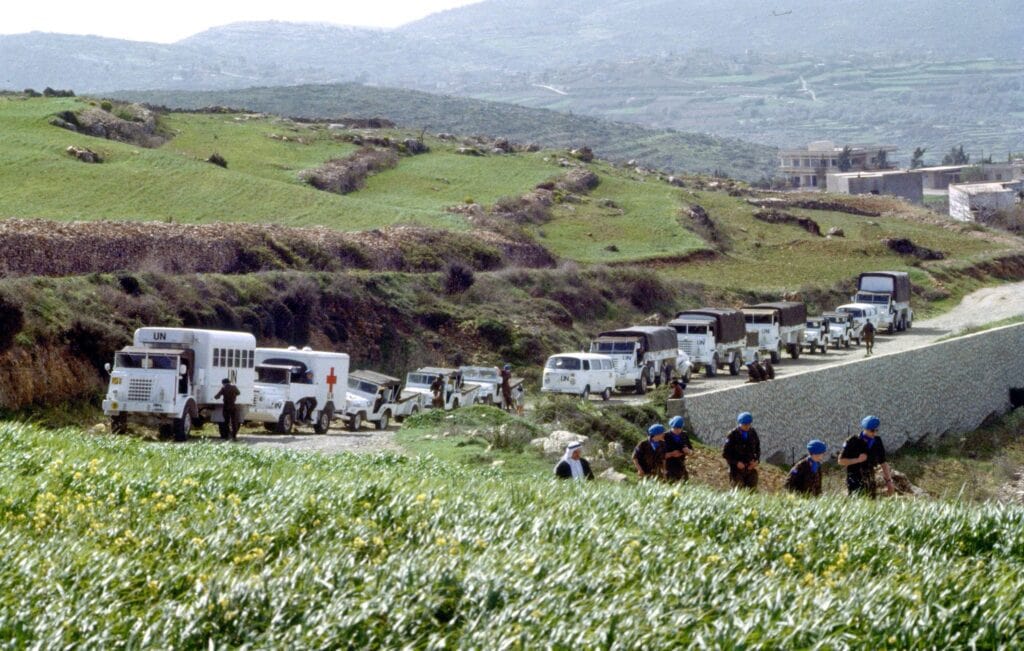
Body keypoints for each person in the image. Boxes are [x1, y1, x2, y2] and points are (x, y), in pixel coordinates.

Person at [838, 415, 894, 498]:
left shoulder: (877, 441)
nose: (874, 433)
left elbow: (883, 462)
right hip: (854, 481)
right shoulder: (853, 441)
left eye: (876, 430)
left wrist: (889, 481)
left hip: (870, 480)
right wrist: (857, 460)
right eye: (872, 431)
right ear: (865, 429)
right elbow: (841, 461)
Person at [723, 411, 761, 489]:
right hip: (736, 471)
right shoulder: (732, 435)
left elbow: (758, 449)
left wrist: (756, 460)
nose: (747, 426)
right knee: (738, 492)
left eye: (749, 424)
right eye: (745, 424)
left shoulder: (753, 433)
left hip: (750, 470)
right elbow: (725, 454)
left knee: (752, 493)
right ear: (740, 423)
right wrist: (736, 463)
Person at [663, 415, 693, 483]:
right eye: (675, 428)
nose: (678, 430)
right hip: (668, 466)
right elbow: (659, 454)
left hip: (681, 465)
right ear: (672, 427)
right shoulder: (665, 436)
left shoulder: (684, 435)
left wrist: (688, 451)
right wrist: (671, 454)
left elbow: (691, 451)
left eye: (679, 428)